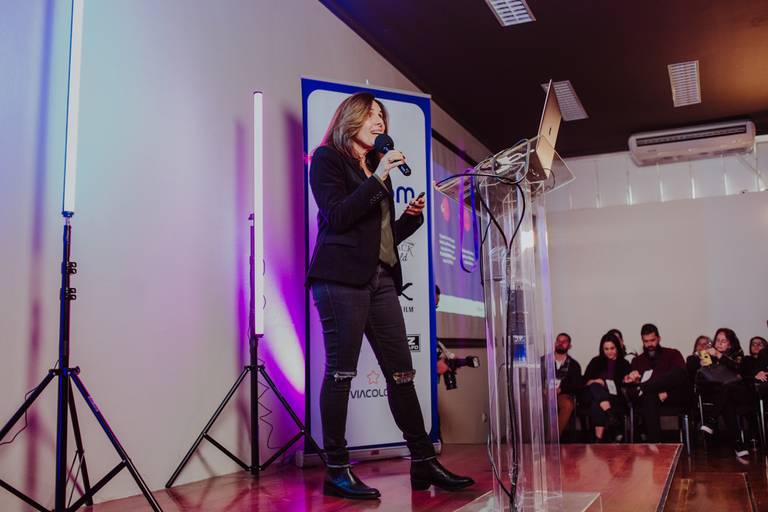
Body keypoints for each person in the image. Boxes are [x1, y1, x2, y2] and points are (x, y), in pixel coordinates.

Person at [307, 92, 473, 499]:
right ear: (350, 119)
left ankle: (423, 461)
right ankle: (336, 469)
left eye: (382, 115)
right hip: (340, 280)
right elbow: (338, 216)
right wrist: (379, 176)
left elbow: (376, 239)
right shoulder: (327, 159)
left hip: (381, 278)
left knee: (402, 373)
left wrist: (409, 221)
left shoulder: (375, 168)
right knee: (341, 373)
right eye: (371, 115)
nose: (380, 121)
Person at [623, 323, 688, 443]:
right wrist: (633, 380)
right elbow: (633, 390)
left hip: (671, 396)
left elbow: (680, 376)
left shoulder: (673, 354)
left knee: (677, 374)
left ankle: (646, 387)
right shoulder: (637, 361)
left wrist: (666, 392)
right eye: (646, 341)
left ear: (659, 338)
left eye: (652, 340)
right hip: (648, 399)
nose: (649, 345)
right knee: (649, 395)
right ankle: (655, 444)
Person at [694, 328, 752, 457]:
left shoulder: (738, 353)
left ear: (730, 344)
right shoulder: (710, 355)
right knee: (727, 403)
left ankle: (711, 420)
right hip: (723, 396)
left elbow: (737, 367)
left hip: (739, 393)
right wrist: (703, 365)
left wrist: (719, 356)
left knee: (728, 387)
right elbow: (705, 380)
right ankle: (738, 444)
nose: (719, 343)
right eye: (717, 340)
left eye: (723, 341)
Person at [582, 333, 631, 441]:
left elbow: (623, 385)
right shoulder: (595, 361)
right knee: (595, 386)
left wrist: (626, 380)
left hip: (613, 396)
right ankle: (611, 415)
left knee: (597, 404)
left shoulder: (624, 363)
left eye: (612, 348)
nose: (609, 352)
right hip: (592, 393)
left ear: (617, 347)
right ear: (602, 349)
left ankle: (598, 439)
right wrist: (595, 381)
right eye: (606, 349)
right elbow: (585, 381)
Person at [552, 332, 583, 435]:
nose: (560, 343)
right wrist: (544, 390)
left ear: (569, 346)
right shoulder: (543, 361)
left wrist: (561, 389)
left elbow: (577, 385)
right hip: (544, 394)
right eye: (558, 341)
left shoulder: (574, 365)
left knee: (568, 405)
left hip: (562, 395)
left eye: (564, 342)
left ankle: (554, 437)